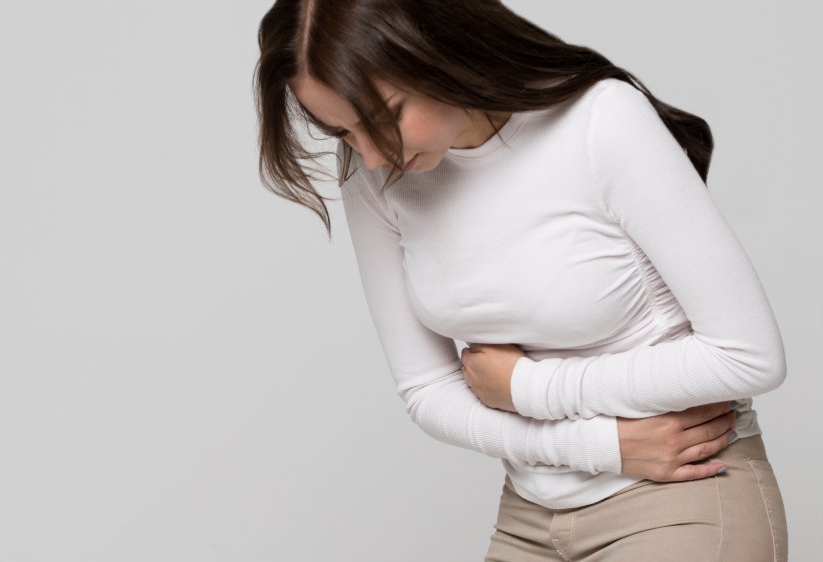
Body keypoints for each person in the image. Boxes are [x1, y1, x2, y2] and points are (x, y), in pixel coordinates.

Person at [253, 1, 788, 560]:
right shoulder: (373, 177)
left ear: (437, 54)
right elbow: (426, 390)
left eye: (385, 115)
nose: (370, 155)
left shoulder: (599, 121)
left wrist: (526, 388)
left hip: (683, 494)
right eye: (344, 130)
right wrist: (595, 445)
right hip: (528, 515)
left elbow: (747, 355)